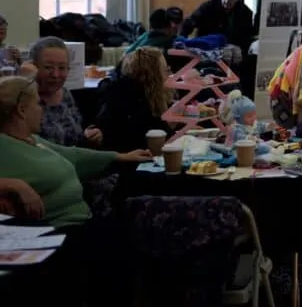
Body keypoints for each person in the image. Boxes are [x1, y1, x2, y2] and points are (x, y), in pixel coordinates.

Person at [0, 76, 151, 226]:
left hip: (86, 219)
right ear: (21, 110)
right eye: (38, 104)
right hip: (60, 231)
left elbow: (72, 155)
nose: (42, 110)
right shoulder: (4, 145)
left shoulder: (31, 139)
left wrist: (120, 157)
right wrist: (14, 185)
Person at [21, 37, 103, 148]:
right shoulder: (22, 100)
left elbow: (72, 138)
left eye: (62, 68)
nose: (55, 75)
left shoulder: (65, 94)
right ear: (32, 66)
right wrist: (25, 81)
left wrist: (87, 136)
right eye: (48, 67)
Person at [97, 47, 175, 153]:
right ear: (154, 76)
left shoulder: (132, 94)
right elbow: (152, 138)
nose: (169, 75)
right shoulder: (135, 103)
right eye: (166, 70)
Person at [180, 0, 255, 49]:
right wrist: (182, 40)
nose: (227, 1)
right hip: (209, 48)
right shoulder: (208, 7)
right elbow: (190, 22)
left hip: (234, 50)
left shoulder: (245, 12)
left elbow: (247, 37)